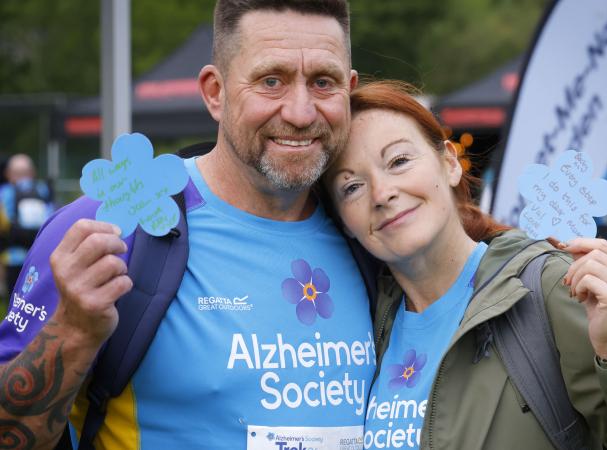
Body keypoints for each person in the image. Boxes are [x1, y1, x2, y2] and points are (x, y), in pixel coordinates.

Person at [0, 1, 376, 448]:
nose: (300, 112)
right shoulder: (111, 226)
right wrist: (74, 332)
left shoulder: (374, 235)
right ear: (215, 92)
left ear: (349, 91)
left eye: (323, 82)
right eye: (271, 81)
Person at [324, 81, 607, 449]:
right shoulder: (368, 325)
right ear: (344, 219)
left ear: (449, 163)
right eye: (351, 186)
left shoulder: (548, 288)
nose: (382, 193)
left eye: (398, 161)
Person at [0, 153, 54, 297]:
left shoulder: (5, 192)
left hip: (13, 257)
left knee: (14, 301)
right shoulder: (42, 189)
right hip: (39, 256)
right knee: (37, 300)